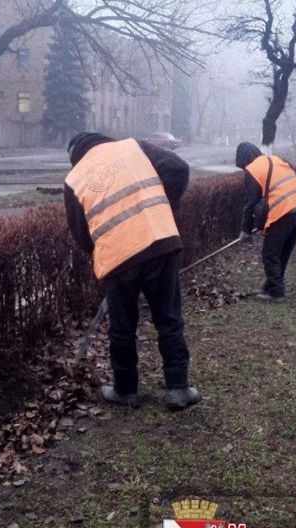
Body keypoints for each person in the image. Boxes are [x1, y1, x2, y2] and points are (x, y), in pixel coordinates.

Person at [64, 132, 201, 411]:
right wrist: (162, 209)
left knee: (122, 326)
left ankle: (125, 390)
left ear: (76, 158)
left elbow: (80, 233)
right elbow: (178, 169)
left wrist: (103, 248)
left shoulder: (74, 179)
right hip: (160, 242)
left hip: (117, 258)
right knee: (169, 319)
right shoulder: (132, 146)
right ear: (103, 140)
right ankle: (178, 389)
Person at [235, 142, 296, 302]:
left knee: (270, 253)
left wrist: (245, 230)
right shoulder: (276, 159)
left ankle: (276, 292)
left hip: (285, 210)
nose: (244, 170)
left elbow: (250, 202)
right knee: (282, 251)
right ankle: (270, 285)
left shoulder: (253, 169)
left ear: (244, 160)